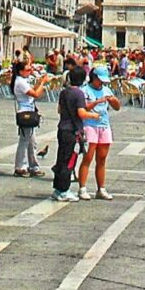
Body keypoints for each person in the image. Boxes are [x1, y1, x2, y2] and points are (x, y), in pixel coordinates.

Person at [76, 64, 123, 200]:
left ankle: (101, 188)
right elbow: (84, 108)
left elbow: (117, 107)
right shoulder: (85, 90)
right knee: (88, 157)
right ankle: (82, 188)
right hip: (90, 125)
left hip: (104, 124)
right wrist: (97, 102)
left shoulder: (107, 90)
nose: (101, 83)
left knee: (102, 158)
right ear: (94, 77)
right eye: (100, 80)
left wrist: (114, 100)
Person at [51, 63, 88, 202]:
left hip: (62, 128)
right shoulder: (79, 93)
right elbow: (81, 112)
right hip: (72, 131)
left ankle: (57, 188)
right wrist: (94, 115)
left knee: (61, 159)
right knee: (69, 161)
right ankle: (64, 190)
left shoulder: (64, 92)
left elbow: (59, 110)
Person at [12, 58, 44, 175]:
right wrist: (43, 83)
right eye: (27, 70)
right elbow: (35, 94)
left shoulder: (24, 80)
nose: (30, 71)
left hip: (30, 110)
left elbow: (32, 90)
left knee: (32, 142)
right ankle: (20, 166)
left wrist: (39, 83)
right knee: (24, 140)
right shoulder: (20, 82)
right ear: (20, 71)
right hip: (25, 112)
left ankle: (33, 166)